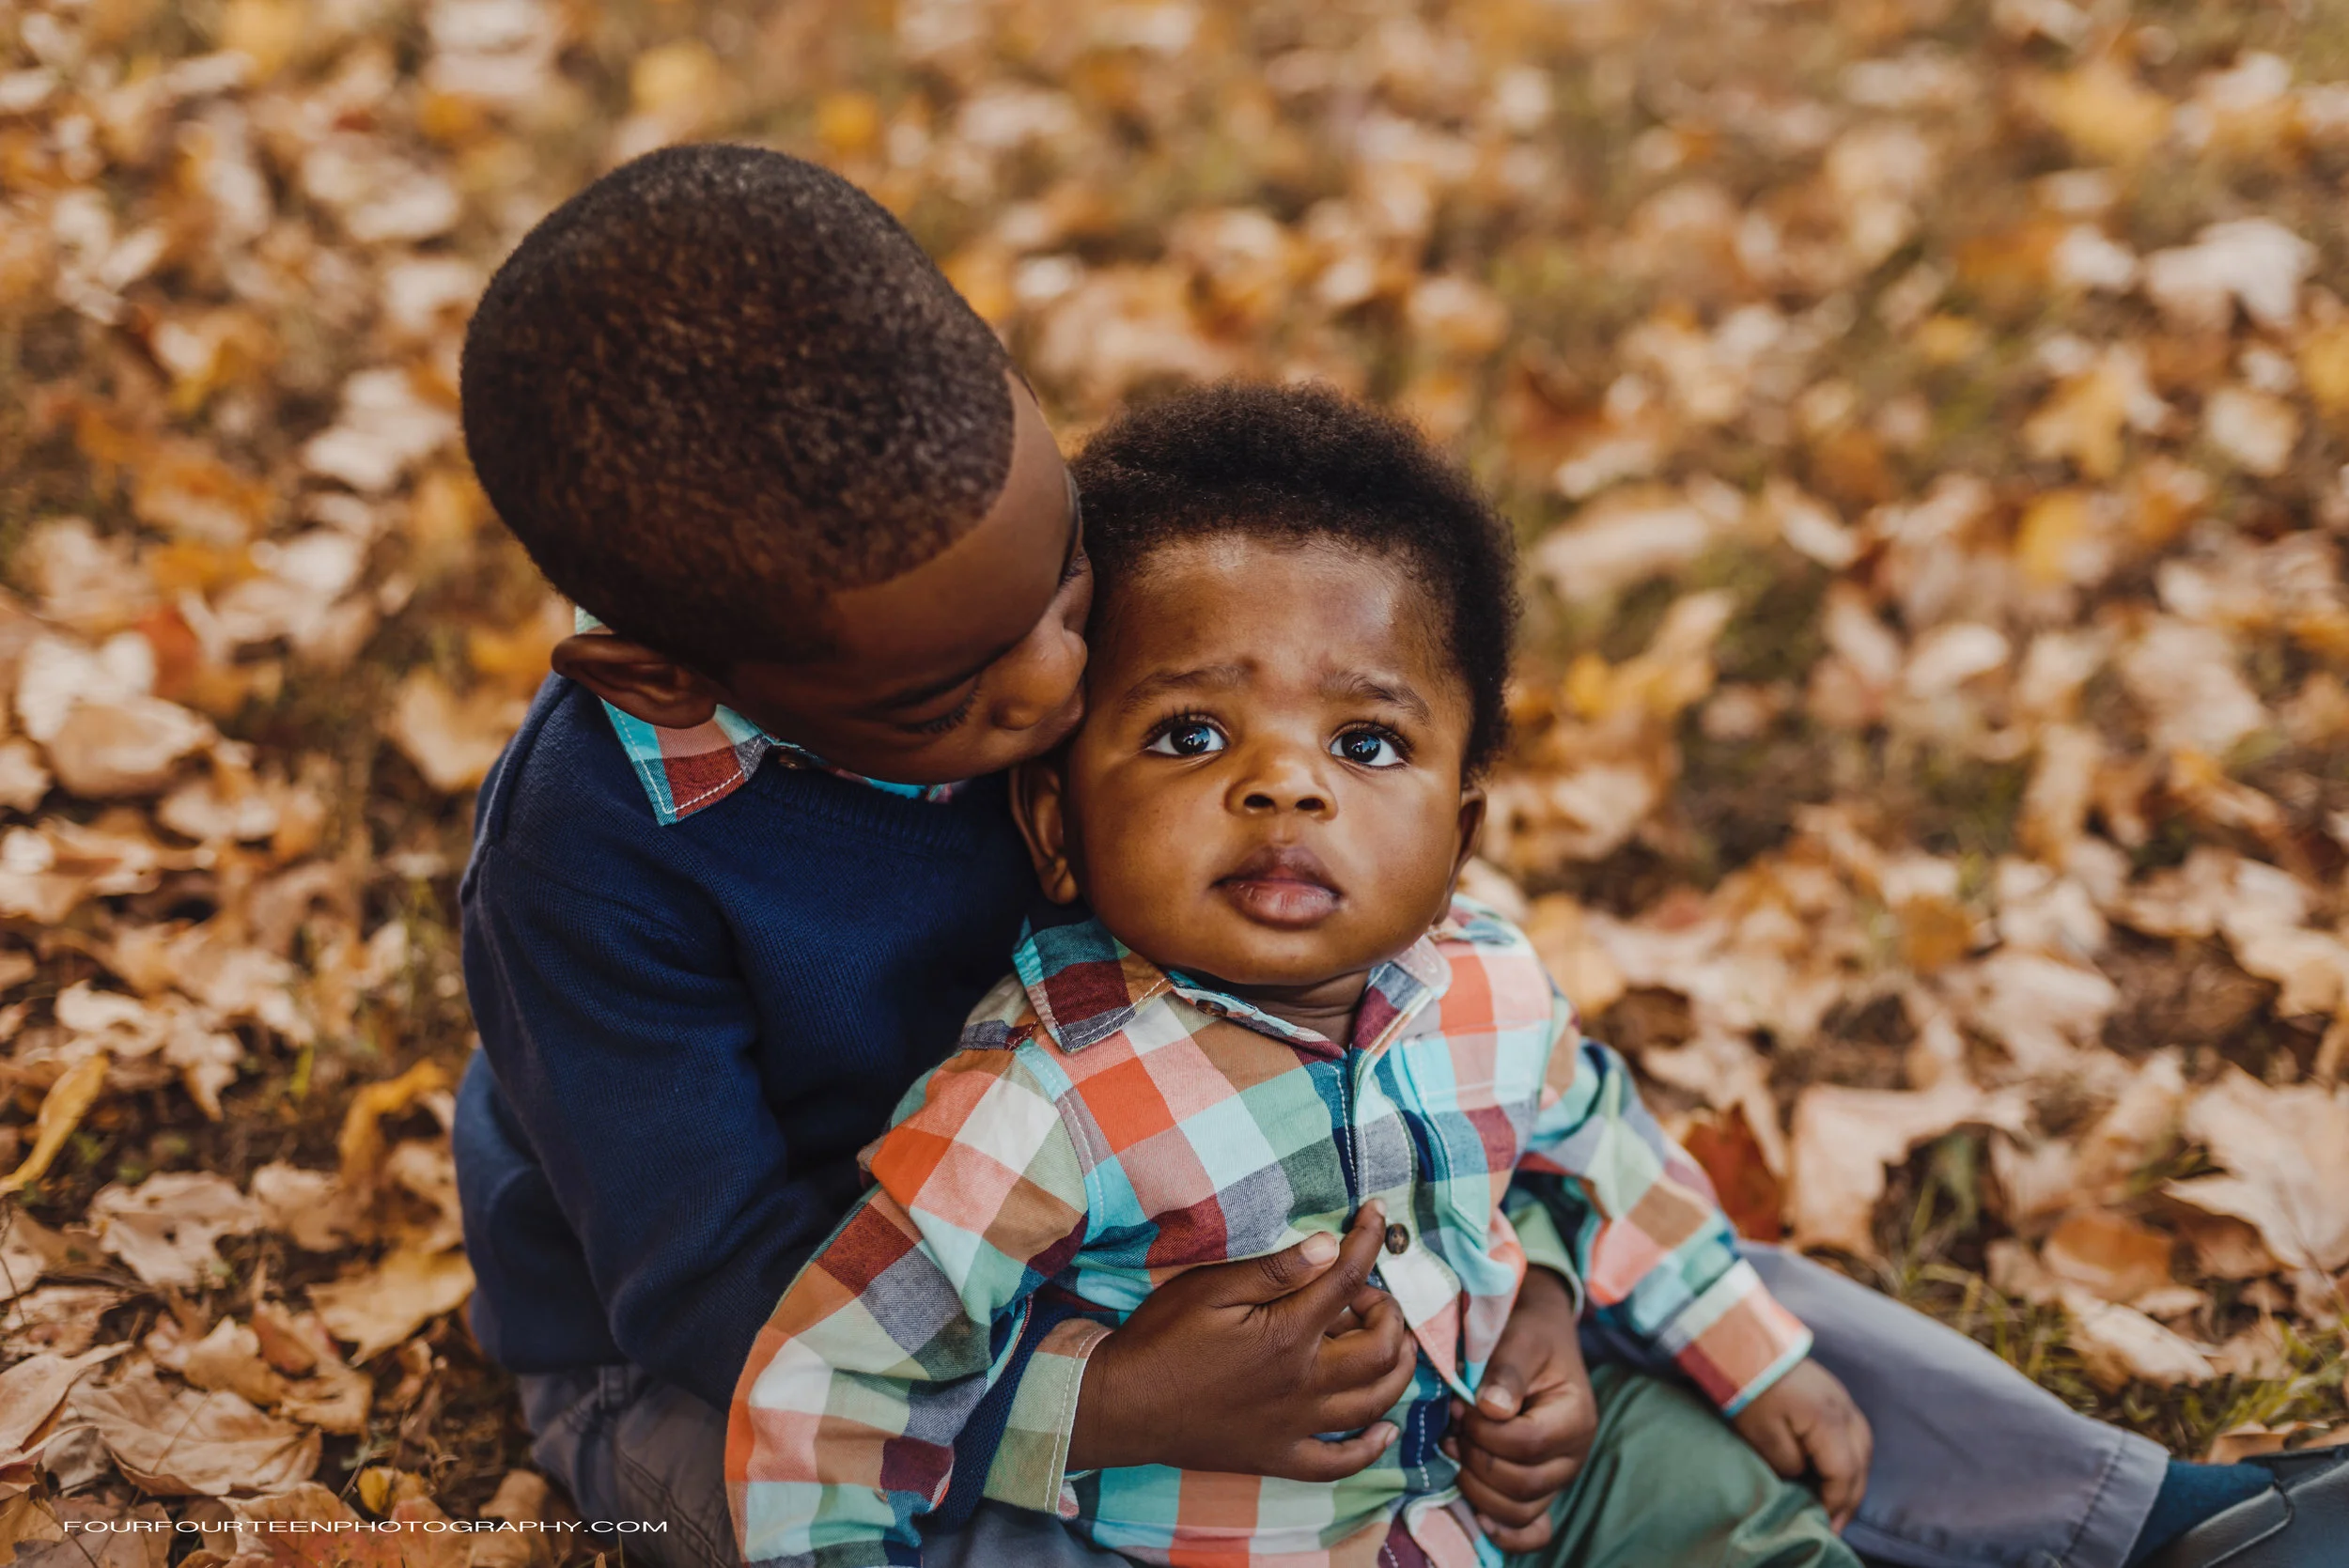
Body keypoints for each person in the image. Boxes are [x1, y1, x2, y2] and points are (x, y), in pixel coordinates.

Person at [451, 142, 2343, 1568]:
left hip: (1227, 1169)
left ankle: (2128, 1520)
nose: (1053, 686)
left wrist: (1506, 1264)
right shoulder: (591, 866)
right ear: (673, 669)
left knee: (1652, 1256)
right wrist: (1102, 1400)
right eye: (958, 696)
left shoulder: (973, 549)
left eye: (1065, 592)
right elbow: (713, 1289)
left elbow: (1401, 977)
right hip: (784, 1336)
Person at [727, 380, 1871, 1568]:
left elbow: (1609, 1165)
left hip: (1512, 1494)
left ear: (1460, 837)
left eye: (1365, 743)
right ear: (1057, 825)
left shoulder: (1493, 989)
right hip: (1229, 1541)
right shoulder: (1038, 1097)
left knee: (1718, 1505)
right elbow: (833, 1386)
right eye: (1191, 733)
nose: (1284, 784)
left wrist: (1746, 1349)